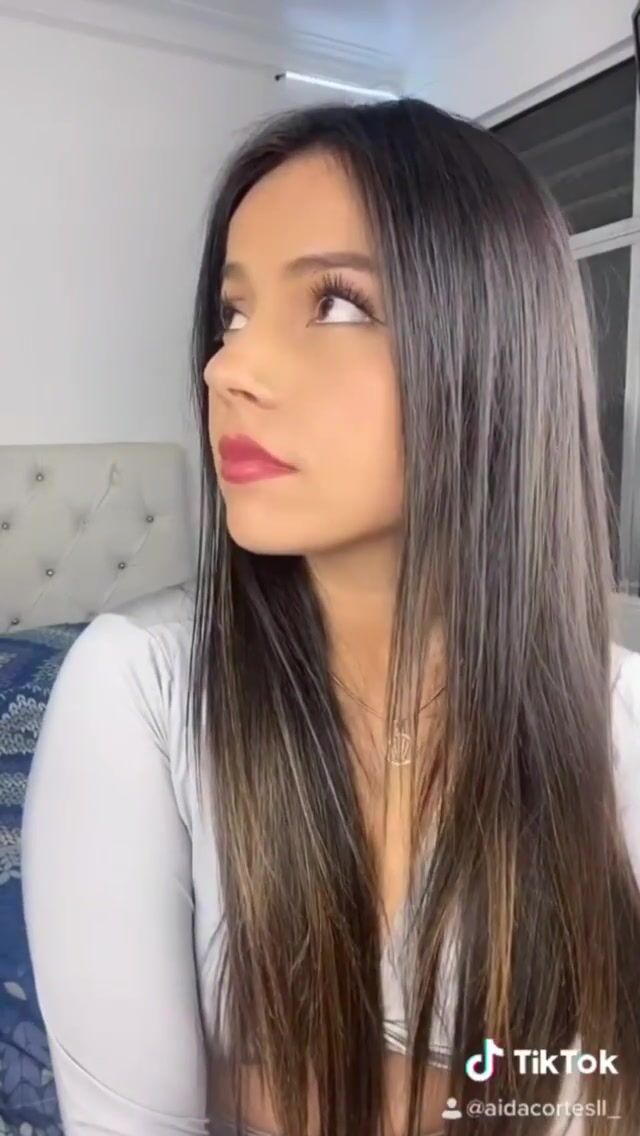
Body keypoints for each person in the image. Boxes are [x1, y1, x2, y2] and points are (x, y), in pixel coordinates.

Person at [21, 96, 640, 1136]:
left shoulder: (621, 721)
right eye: (230, 315)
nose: (226, 367)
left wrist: (301, 1085)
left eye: (339, 304)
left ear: (495, 348)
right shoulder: (137, 689)